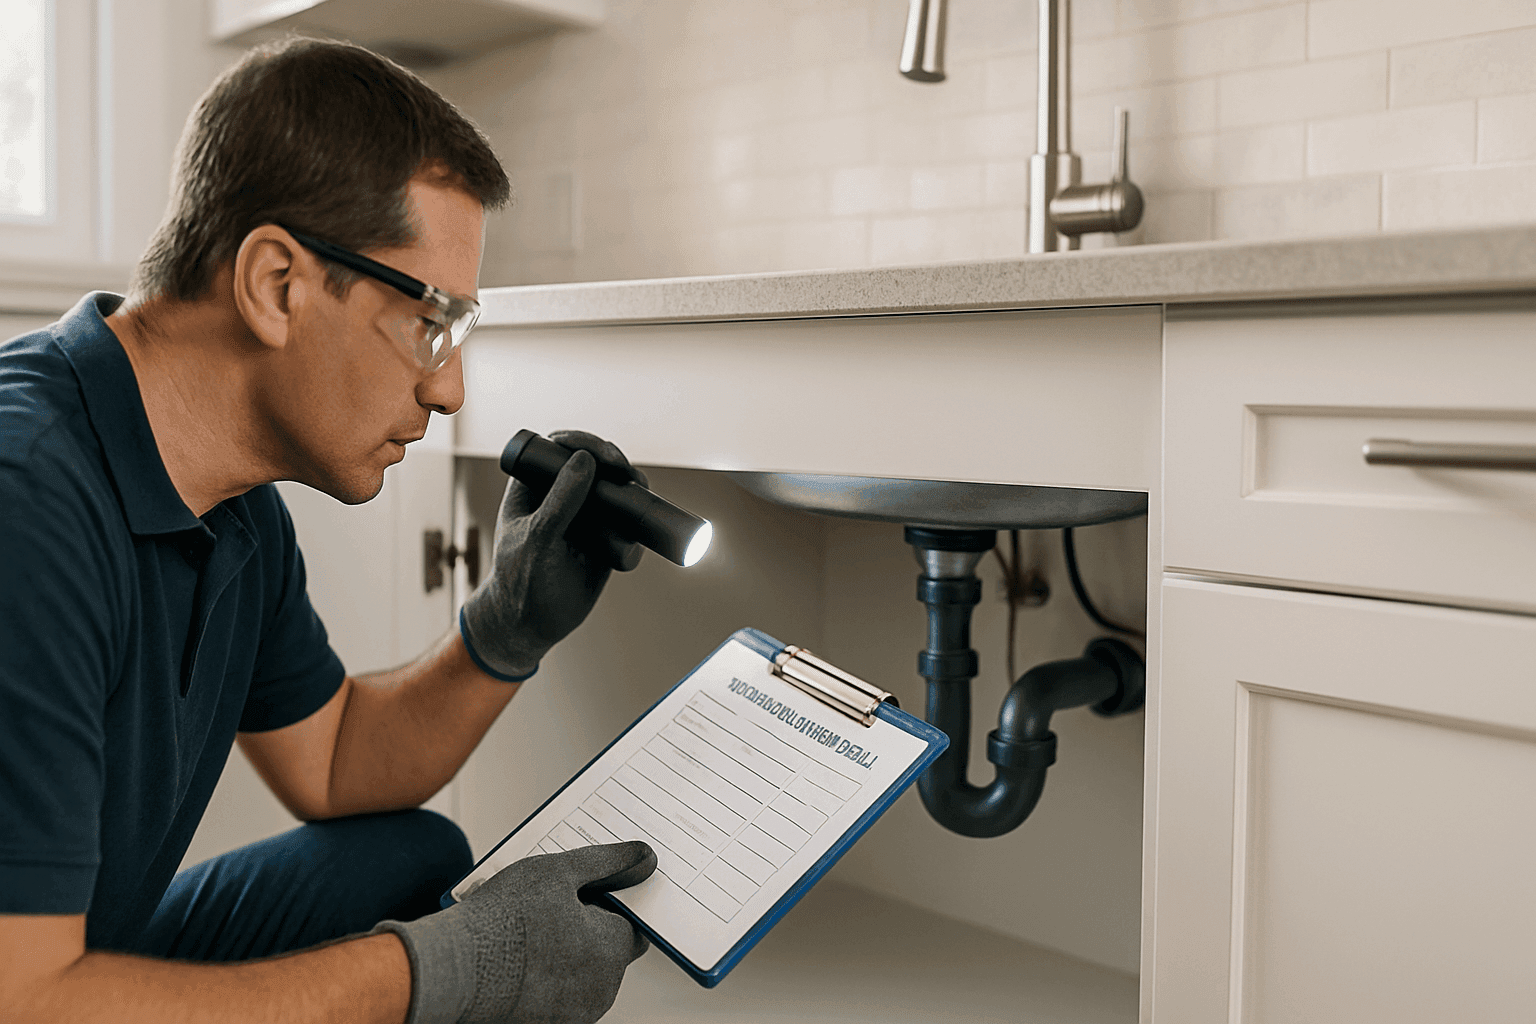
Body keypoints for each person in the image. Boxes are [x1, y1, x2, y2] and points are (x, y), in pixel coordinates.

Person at [0, 36, 656, 1024]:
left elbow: (336, 759)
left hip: (57, 960)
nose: (449, 388)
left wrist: (504, 628)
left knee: (411, 858)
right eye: (431, 322)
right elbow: (22, 998)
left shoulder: (238, 512)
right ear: (277, 284)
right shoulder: (27, 500)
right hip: (25, 988)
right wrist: (448, 969)